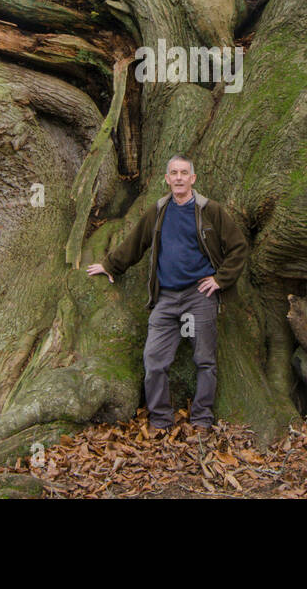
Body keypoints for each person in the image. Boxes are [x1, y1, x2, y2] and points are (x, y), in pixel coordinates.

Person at [86, 154, 249, 430]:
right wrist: (109, 265)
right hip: (167, 298)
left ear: (193, 179)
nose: (179, 178)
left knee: (205, 361)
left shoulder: (210, 210)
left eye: (184, 173)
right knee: (154, 360)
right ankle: (161, 419)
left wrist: (221, 280)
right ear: (167, 179)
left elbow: (238, 248)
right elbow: (135, 243)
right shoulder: (159, 210)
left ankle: (202, 417)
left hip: (200, 296)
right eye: (173, 173)